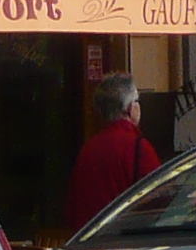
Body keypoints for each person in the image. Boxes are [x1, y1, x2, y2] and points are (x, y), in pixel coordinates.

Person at [64, 72, 161, 234]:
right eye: (137, 101)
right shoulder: (138, 147)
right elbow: (159, 197)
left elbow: (72, 208)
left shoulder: (88, 148)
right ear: (129, 108)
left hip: (88, 243)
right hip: (123, 241)